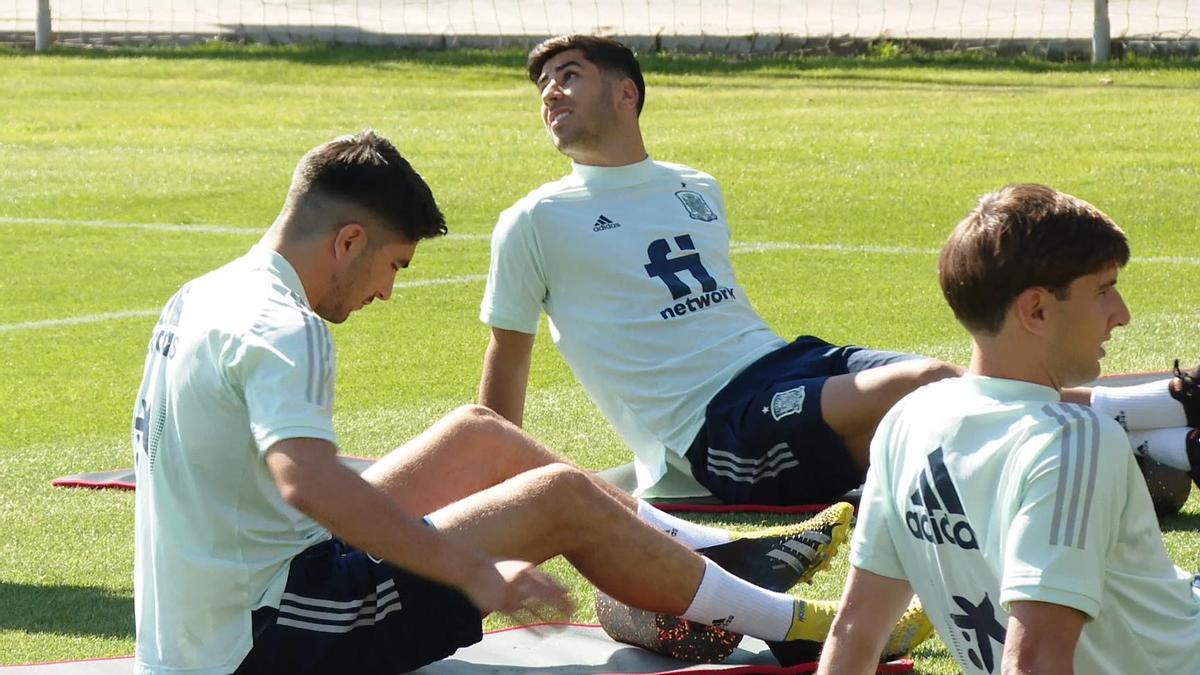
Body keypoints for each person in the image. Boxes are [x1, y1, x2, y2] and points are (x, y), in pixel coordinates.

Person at [131, 130, 928, 675]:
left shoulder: (206, 294)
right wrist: (471, 569)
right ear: (347, 240)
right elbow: (308, 479)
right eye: (394, 266)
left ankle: (705, 555)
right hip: (266, 637)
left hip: (226, 608)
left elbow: (265, 483)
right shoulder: (285, 327)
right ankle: (790, 629)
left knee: (479, 436)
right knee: (559, 500)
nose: (386, 290)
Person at [478, 33, 1200, 507]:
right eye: (542, 87)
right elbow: (505, 364)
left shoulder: (695, 186)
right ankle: (1172, 408)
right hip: (713, 430)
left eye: (568, 77)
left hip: (785, 361)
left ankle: (1169, 446)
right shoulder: (534, 220)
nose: (550, 94)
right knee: (928, 387)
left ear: (625, 92)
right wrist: (498, 489)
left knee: (960, 398)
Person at [816, 184, 1200, 675]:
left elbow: (856, 630)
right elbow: (1034, 661)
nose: (1120, 315)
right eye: (1103, 291)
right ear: (1036, 310)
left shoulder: (907, 420)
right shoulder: (1071, 440)